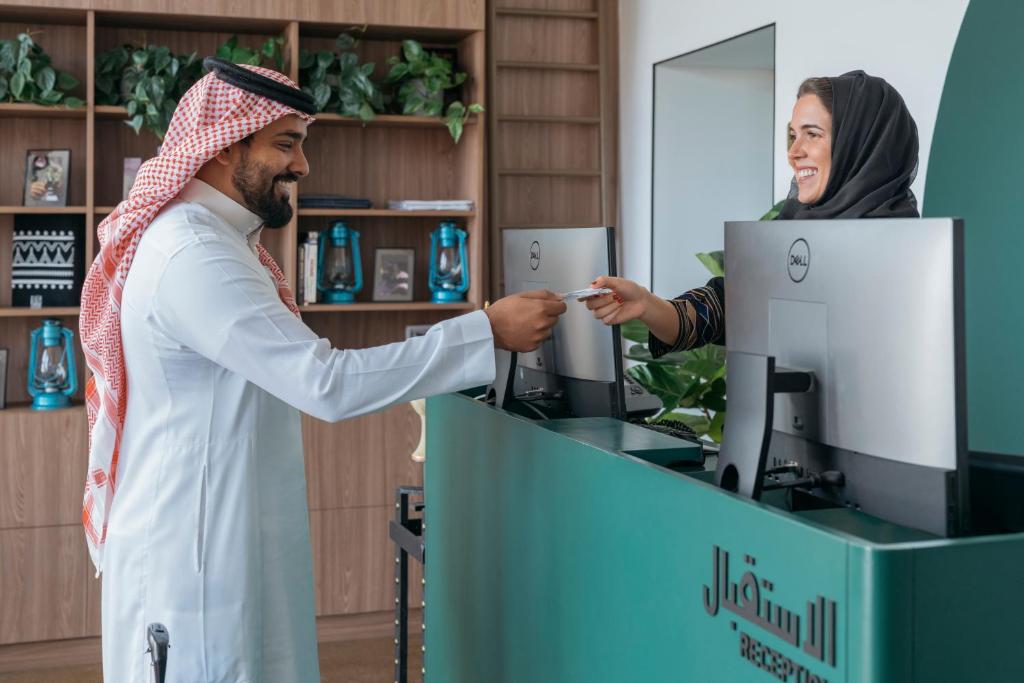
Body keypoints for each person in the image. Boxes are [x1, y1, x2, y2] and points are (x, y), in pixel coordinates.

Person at [79, 58, 566, 682]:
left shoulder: (216, 240)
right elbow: (325, 384)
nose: (302, 167)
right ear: (226, 146)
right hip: (192, 559)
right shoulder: (194, 253)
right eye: (286, 144)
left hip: (221, 538)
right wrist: (485, 331)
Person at [584, 71, 919, 354]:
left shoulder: (911, 257)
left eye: (812, 134)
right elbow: (719, 310)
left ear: (859, 144)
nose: (794, 152)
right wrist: (644, 303)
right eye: (793, 135)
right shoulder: (793, 238)